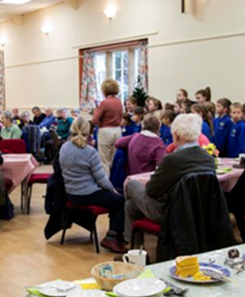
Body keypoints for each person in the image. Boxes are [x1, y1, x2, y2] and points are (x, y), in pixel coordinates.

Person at [124, 114, 215, 242]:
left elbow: (151, 190)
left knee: (131, 184)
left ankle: (134, 251)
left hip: (170, 212)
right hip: (198, 211)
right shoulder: (208, 159)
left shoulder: (172, 160)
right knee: (131, 205)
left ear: (176, 136)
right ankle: (134, 248)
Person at [59, 117, 126, 253]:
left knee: (116, 194)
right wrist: (112, 190)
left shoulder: (64, 147)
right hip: (87, 194)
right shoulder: (90, 152)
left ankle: (115, 234)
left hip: (71, 193)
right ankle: (112, 237)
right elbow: (101, 179)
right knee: (121, 200)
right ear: (89, 132)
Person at [91, 79, 123, 176]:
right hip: (117, 131)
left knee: (104, 161)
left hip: (105, 131)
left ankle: (106, 185)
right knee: (114, 159)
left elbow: (94, 120)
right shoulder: (119, 102)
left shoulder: (104, 102)